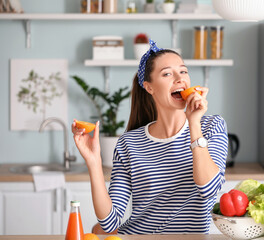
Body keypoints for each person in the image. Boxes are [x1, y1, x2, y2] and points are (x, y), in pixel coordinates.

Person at [72, 40, 228, 234]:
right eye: (167, 74)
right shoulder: (129, 143)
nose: (180, 79)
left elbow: (209, 189)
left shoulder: (211, 126)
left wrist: (194, 123)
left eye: (183, 71)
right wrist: (94, 162)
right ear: (149, 87)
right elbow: (110, 223)